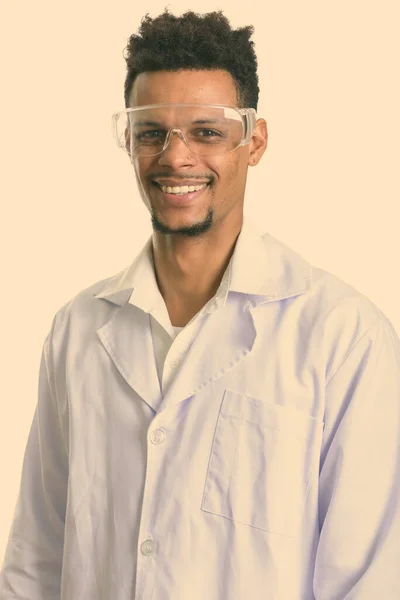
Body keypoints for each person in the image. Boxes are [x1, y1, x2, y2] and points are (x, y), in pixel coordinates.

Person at [0, 7, 399, 600]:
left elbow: (371, 577)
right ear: (129, 140)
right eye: (152, 132)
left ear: (254, 142)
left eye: (207, 132)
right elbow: (36, 562)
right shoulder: (78, 330)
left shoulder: (341, 336)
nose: (176, 157)